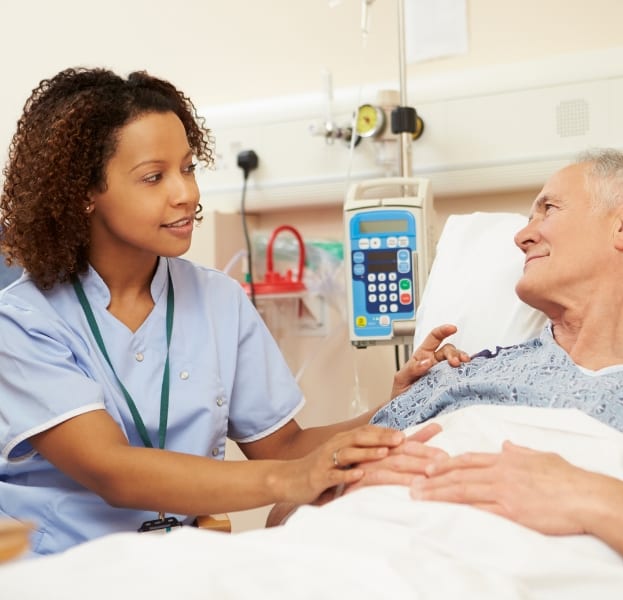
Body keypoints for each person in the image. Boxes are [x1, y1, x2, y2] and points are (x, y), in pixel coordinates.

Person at [0, 66, 461, 556]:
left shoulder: (218, 300)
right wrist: (291, 480)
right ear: (83, 194)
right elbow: (111, 470)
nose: (186, 193)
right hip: (55, 568)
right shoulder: (23, 322)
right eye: (154, 177)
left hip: (179, 562)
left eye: (188, 167)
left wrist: (394, 408)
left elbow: (283, 447)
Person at [345, 149, 623, 599]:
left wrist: (588, 498)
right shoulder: (458, 373)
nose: (522, 235)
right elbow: (288, 506)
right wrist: (339, 486)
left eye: (548, 208)